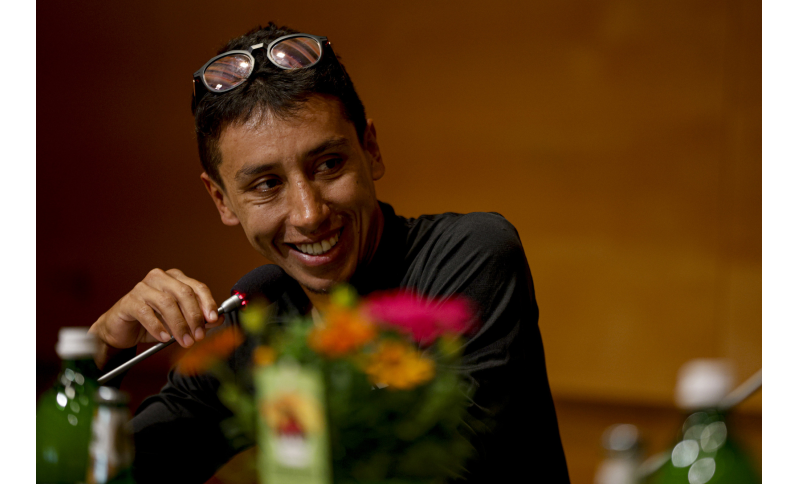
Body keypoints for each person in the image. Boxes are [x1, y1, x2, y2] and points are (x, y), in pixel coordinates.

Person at [89, 23, 570, 482]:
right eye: (267, 184)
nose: (309, 214)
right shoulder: (254, 318)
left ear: (371, 149)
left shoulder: (471, 255)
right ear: (222, 200)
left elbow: (440, 472)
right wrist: (98, 354)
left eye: (329, 164)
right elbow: (110, 474)